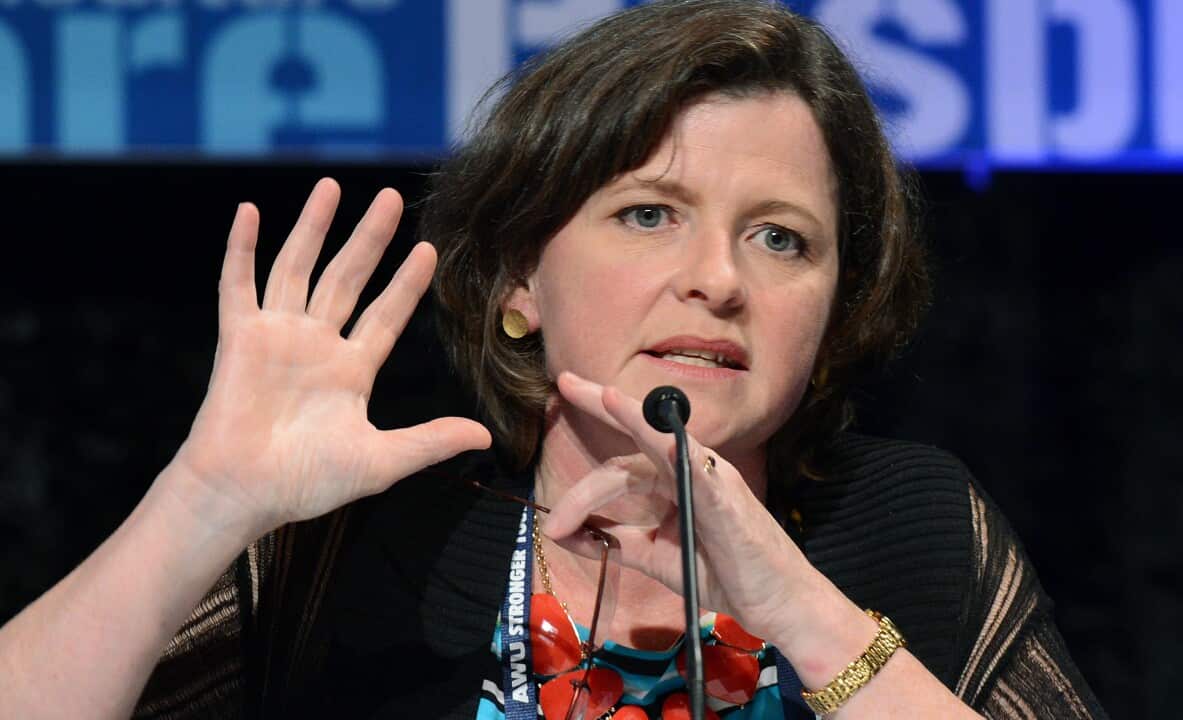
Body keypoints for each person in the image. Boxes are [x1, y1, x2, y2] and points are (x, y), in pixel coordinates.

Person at [0, 1, 1108, 718]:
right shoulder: (358, 545)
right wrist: (200, 503)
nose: (719, 278)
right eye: (647, 215)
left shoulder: (908, 525)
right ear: (522, 281)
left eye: (782, 238)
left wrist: (800, 612)